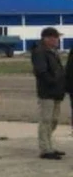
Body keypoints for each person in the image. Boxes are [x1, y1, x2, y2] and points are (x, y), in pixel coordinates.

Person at [31, 27, 66, 159]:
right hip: (47, 92)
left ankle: (49, 145)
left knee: (54, 120)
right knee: (46, 120)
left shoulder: (53, 51)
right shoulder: (40, 52)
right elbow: (41, 71)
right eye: (55, 37)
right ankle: (45, 149)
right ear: (47, 38)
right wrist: (53, 82)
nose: (57, 40)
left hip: (56, 91)